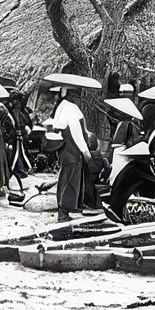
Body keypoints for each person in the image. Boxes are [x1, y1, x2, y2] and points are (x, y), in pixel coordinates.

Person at [52, 87, 92, 222]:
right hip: (72, 148)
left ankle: (70, 207)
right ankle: (63, 212)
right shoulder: (71, 108)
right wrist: (85, 151)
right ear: (72, 96)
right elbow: (76, 133)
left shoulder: (61, 107)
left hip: (65, 148)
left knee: (67, 178)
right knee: (69, 180)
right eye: (77, 96)